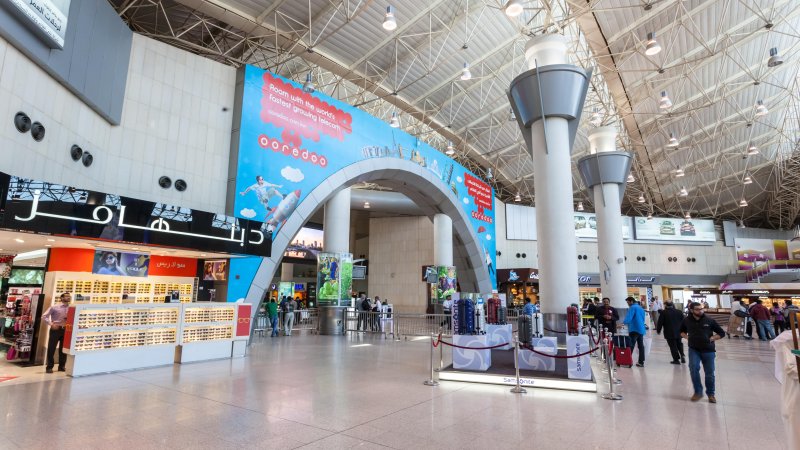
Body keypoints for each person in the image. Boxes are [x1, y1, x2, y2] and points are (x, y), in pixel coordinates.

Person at [680, 302, 726, 403]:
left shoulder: (709, 320)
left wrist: (713, 338)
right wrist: (688, 338)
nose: (700, 311)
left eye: (701, 309)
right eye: (697, 309)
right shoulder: (686, 320)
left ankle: (711, 394)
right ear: (691, 310)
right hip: (693, 349)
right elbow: (681, 331)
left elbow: (722, 333)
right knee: (693, 369)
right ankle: (698, 392)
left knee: (709, 373)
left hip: (708, 350)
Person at [41, 293, 71, 373]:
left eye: (69, 296)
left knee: (63, 349)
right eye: (66, 296)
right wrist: (51, 324)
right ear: (61, 298)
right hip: (55, 329)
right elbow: (44, 316)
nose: (68, 298)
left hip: (66, 329)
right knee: (51, 348)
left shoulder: (71, 308)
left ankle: (61, 366)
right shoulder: (54, 307)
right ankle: (49, 367)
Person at [623, 297, 647, 367]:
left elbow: (628, 318)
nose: (627, 304)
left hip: (634, 329)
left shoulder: (632, 307)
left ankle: (628, 362)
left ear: (631, 301)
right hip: (641, 329)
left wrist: (623, 323)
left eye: (628, 302)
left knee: (631, 345)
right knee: (641, 346)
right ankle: (641, 362)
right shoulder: (640, 308)